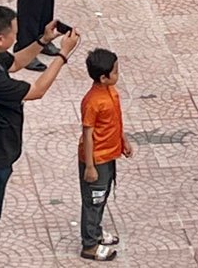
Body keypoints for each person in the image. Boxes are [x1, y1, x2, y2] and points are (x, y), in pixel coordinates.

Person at [0, 6, 80, 236]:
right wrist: (63, 54)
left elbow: (15, 62)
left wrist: (43, 40)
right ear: (1, 39)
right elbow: (37, 90)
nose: (17, 37)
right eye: (14, 33)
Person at [77, 48, 130, 261]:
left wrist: (123, 140)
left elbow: (115, 120)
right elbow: (88, 135)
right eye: (115, 71)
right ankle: (89, 245)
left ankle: (96, 232)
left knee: (102, 196)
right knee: (93, 201)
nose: (118, 75)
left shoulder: (112, 92)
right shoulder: (92, 102)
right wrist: (89, 166)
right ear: (103, 77)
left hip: (109, 155)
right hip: (96, 160)